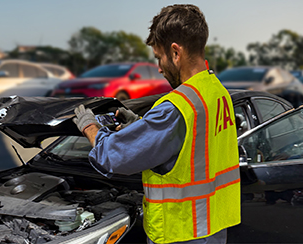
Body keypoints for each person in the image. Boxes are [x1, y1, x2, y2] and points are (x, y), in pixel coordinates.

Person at [73, 4, 240, 244]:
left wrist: (90, 127)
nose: (159, 68)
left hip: (180, 231)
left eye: (159, 57)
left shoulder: (176, 108)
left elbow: (112, 156)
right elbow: (190, 145)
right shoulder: (216, 91)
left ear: (175, 52)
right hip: (211, 225)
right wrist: (141, 125)